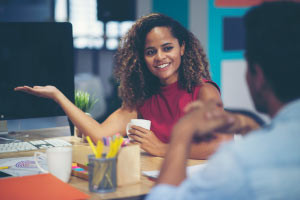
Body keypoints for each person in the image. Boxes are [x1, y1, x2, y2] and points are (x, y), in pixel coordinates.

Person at [15, 13, 258, 159]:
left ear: (182, 47)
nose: (160, 57)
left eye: (168, 48)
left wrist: (163, 149)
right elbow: (100, 136)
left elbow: (222, 142)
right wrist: (58, 96)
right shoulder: (142, 98)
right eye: (151, 52)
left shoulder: (203, 91)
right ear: (141, 57)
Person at [146, 1, 300, 199]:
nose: (159, 57)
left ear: (258, 76)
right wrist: (254, 128)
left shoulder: (239, 163)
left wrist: (181, 135)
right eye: (150, 51)